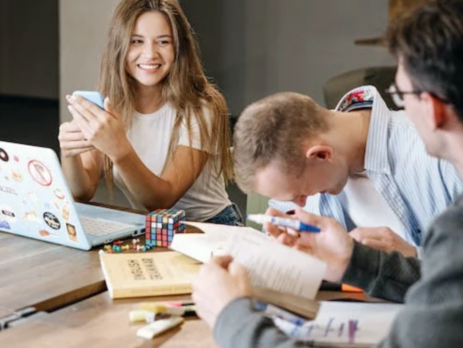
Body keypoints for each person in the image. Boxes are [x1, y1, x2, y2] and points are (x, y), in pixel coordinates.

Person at [193, 0, 463, 346]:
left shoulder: (449, 210)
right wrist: (356, 261)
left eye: (402, 93)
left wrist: (232, 318)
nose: (401, 106)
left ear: (433, 107)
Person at [58, 0, 242, 226]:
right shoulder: (111, 103)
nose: (150, 54)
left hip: (209, 226)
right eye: (136, 41)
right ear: (119, 45)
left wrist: (119, 149)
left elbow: (162, 200)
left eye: (163, 42)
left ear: (179, 48)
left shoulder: (201, 107)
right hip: (152, 226)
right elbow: (82, 192)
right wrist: (70, 153)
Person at [256, 85, 461, 258]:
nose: (300, 205)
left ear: (321, 155)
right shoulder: (292, 175)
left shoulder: (442, 151)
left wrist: (415, 257)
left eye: (301, 193)